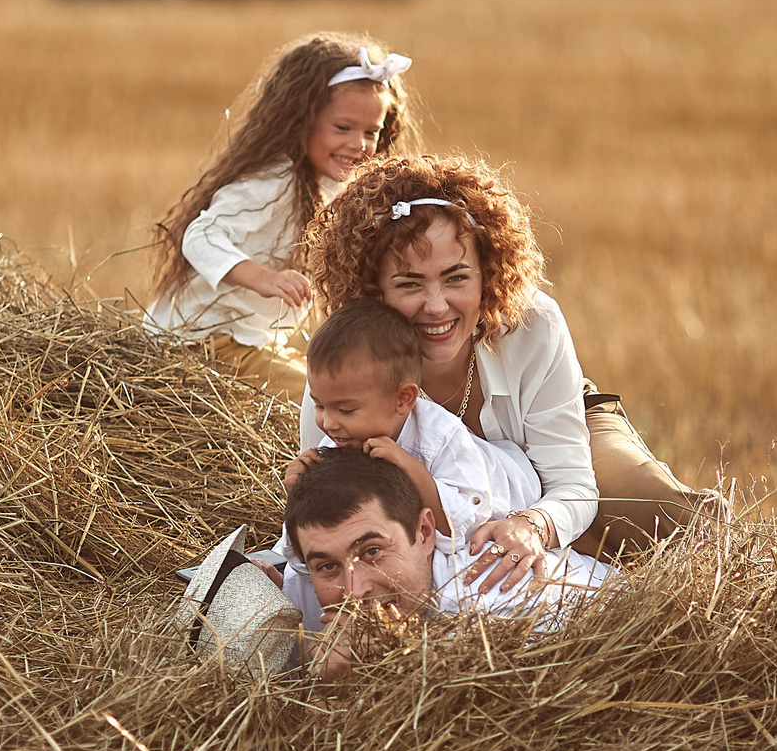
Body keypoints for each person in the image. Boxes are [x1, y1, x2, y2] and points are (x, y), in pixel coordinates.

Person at [300, 154, 714, 581]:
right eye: (409, 283)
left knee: (651, 509)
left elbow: (572, 486)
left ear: (487, 274)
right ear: (374, 290)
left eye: (457, 277)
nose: (437, 306)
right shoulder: (345, 379)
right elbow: (335, 514)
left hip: (559, 424)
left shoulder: (533, 324)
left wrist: (532, 524)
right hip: (471, 491)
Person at [143, 34, 422, 403]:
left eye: (371, 132)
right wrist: (263, 279)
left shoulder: (330, 189)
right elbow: (200, 236)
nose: (359, 144)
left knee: (339, 382)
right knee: (328, 401)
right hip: (203, 345)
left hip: (245, 344)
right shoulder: (274, 182)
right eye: (342, 128)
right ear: (301, 122)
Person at [283, 451, 611, 682]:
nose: (354, 592)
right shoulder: (303, 598)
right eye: (326, 566)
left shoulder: (492, 603)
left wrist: (340, 684)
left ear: (424, 533)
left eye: (372, 552)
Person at [284, 299, 540, 551]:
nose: (327, 423)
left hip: (510, 501)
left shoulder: (441, 437)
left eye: (346, 410)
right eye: (319, 406)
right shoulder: (340, 440)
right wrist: (301, 494)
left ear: (403, 399)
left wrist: (412, 470)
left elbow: (461, 525)